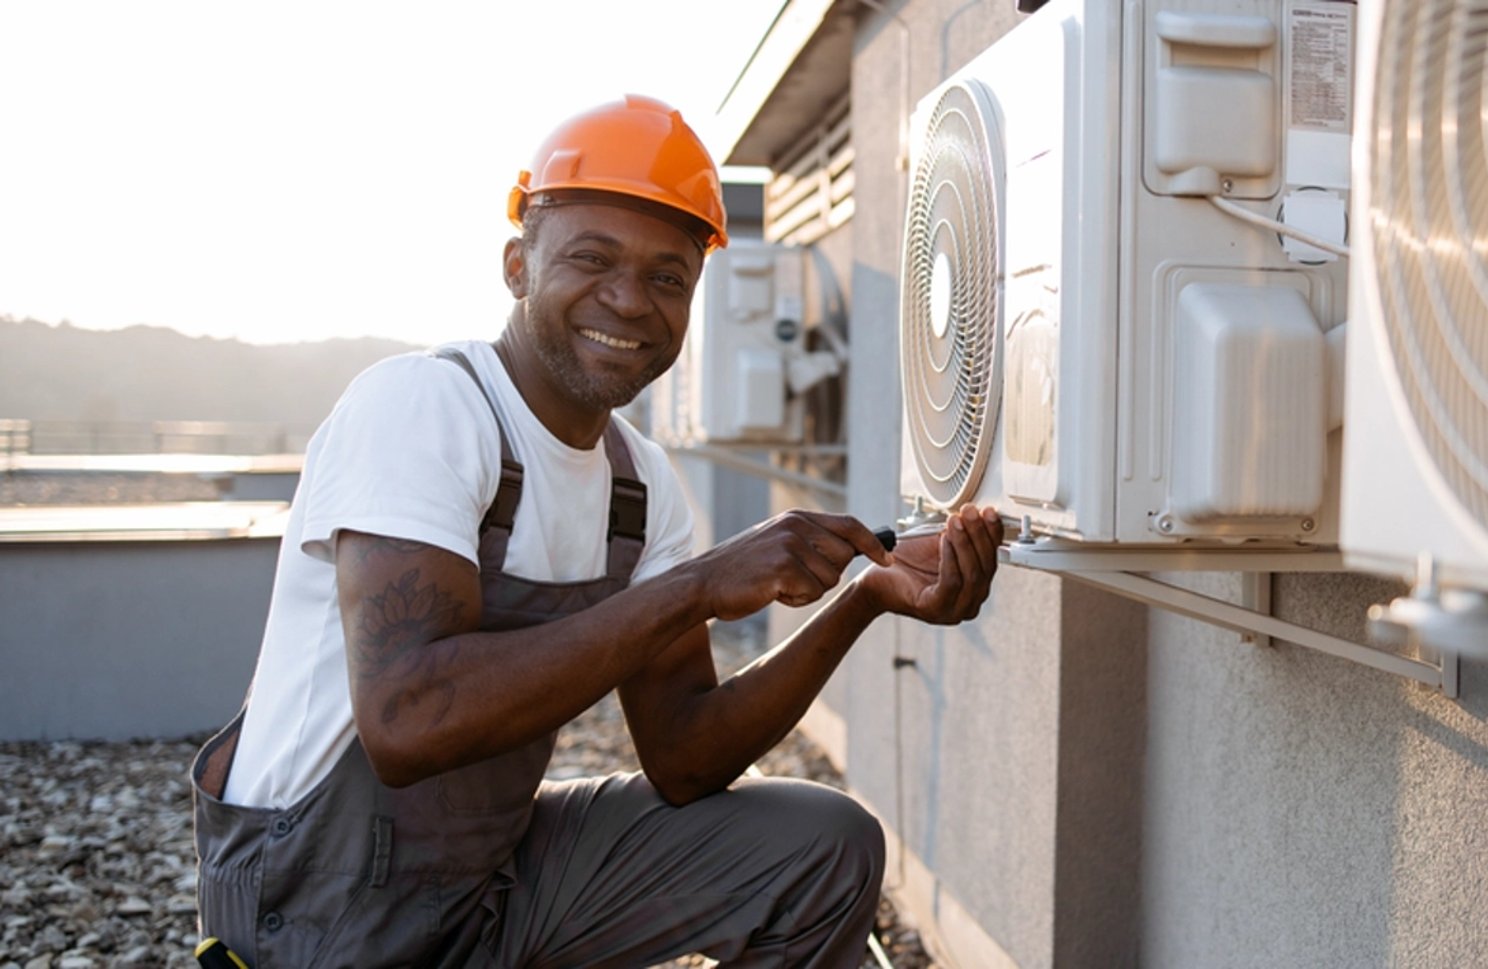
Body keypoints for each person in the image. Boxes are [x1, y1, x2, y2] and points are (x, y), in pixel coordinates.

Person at [189, 95, 1004, 968]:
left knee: (823, 842)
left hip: (485, 884)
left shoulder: (640, 485)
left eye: (668, 277)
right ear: (516, 265)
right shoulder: (426, 409)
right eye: (592, 257)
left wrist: (863, 598)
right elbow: (406, 721)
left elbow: (685, 756)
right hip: (320, 908)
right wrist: (693, 586)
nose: (630, 299)